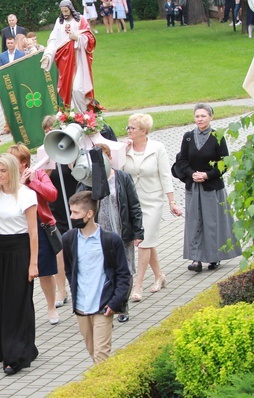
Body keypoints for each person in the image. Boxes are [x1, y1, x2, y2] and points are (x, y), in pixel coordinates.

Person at [0, 154, 39, 375]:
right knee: (3, 301)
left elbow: (34, 233)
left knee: (19, 300)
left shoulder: (26, 195)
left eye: (3, 171)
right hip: (1, 249)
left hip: (21, 248)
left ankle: (17, 355)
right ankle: (7, 349)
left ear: (13, 171)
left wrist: (33, 264)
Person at [62, 191, 130, 364]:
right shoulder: (68, 239)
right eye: (71, 212)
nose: (71, 216)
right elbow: (69, 270)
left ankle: (104, 389)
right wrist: (74, 289)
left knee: (101, 356)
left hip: (103, 307)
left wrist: (114, 302)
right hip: (81, 308)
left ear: (89, 214)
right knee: (93, 353)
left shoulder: (110, 240)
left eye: (76, 213)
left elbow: (123, 274)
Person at [78, 143, 144, 323]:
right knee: (104, 270)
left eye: (104, 157)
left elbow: (134, 205)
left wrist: (138, 231)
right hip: (99, 235)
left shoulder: (122, 177)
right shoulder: (87, 181)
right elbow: (79, 206)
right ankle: (106, 303)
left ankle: (122, 306)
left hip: (122, 232)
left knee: (126, 268)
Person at [122, 114, 182, 302]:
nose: (129, 130)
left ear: (144, 131)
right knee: (149, 242)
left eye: (132, 128)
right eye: (128, 128)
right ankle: (159, 276)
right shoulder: (125, 148)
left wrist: (171, 202)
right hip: (133, 201)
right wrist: (121, 151)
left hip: (153, 201)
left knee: (144, 242)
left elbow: (165, 176)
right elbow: (116, 169)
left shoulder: (157, 148)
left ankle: (138, 286)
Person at [177, 103, 241, 272]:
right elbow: (182, 160)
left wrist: (207, 175)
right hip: (194, 187)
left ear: (211, 117)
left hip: (211, 187)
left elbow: (224, 163)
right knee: (194, 222)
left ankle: (214, 257)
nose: (200, 119)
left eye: (203, 116)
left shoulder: (217, 136)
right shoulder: (188, 137)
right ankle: (196, 259)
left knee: (213, 222)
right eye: (197, 116)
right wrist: (192, 174)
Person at [7, 144, 61, 325]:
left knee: (45, 271)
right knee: (20, 272)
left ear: (24, 163)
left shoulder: (38, 174)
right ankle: (22, 312)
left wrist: (32, 182)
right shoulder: (7, 179)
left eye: (14, 161)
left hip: (39, 226)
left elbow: (52, 195)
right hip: (15, 228)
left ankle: (51, 307)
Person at [41, 0, 96, 113]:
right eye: (62, 11)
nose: (65, 13)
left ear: (71, 9)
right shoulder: (59, 22)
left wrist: (78, 38)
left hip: (79, 61)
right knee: (68, 90)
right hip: (64, 62)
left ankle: (84, 115)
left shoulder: (81, 20)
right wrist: (47, 55)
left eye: (66, 11)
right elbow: (53, 40)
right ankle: (72, 114)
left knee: (78, 89)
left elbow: (90, 38)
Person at [42, 116, 72, 308]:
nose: (49, 134)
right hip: (56, 208)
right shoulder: (45, 154)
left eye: (52, 130)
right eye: (46, 131)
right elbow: (42, 181)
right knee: (58, 250)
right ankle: (62, 289)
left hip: (75, 205)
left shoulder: (71, 150)